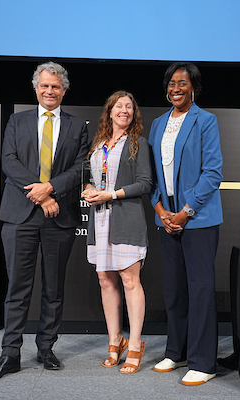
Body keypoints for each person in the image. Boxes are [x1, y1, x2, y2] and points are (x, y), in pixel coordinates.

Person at [0, 61, 89, 380]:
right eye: (44, 86)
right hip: (20, 215)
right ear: (36, 88)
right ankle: (10, 353)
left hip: (60, 217)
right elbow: (9, 162)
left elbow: (81, 167)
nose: (50, 91)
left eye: (55, 86)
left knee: (53, 288)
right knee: (18, 287)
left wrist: (52, 188)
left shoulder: (76, 126)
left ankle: (46, 347)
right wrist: (42, 194)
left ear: (64, 90)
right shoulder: (17, 121)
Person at [148, 62, 224, 386]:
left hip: (199, 220)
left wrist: (186, 211)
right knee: (175, 291)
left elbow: (213, 173)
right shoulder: (156, 124)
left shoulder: (206, 121)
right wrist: (160, 209)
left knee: (201, 290)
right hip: (167, 220)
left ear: (193, 87)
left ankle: (203, 362)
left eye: (182, 83)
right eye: (171, 83)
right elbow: (150, 175)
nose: (175, 88)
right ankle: (175, 351)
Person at [82, 91, 152, 374]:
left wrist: (110, 194)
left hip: (126, 218)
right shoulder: (98, 144)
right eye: (119, 106)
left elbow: (145, 184)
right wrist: (88, 189)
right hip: (99, 221)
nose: (124, 110)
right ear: (109, 112)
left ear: (133, 114)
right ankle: (116, 341)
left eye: (129, 107)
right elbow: (88, 177)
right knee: (104, 279)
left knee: (129, 280)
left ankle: (135, 344)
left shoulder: (138, 144)